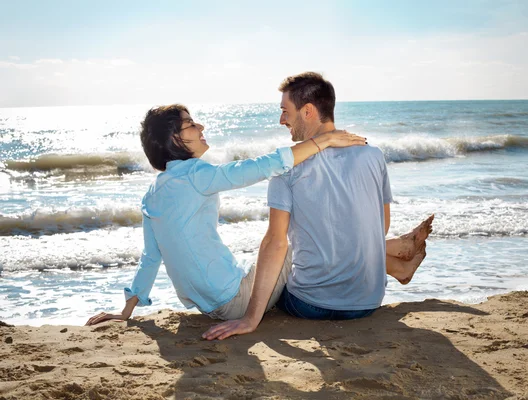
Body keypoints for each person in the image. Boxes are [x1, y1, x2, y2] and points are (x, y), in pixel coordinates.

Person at [85, 104, 366, 326]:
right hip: (237, 301)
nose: (200, 126)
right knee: (302, 240)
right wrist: (324, 140)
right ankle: (376, 263)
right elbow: (258, 167)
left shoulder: (152, 192)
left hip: (210, 307)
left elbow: (151, 256)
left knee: (271, 254)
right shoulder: (196, 174)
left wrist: (127, 310)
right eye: (190, 124)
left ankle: (380, 260)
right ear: (175, 138)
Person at [203, 72, 432, 340]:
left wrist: (251, 318)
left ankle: (400, 261)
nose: (281, 120)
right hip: (368, 303)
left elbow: (276, 244)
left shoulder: (287, 168)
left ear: (308, 111)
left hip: (309, 305)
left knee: (281, 267)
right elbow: (381, 226)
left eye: (285, 111)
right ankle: (400, 263)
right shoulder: (373, 155)